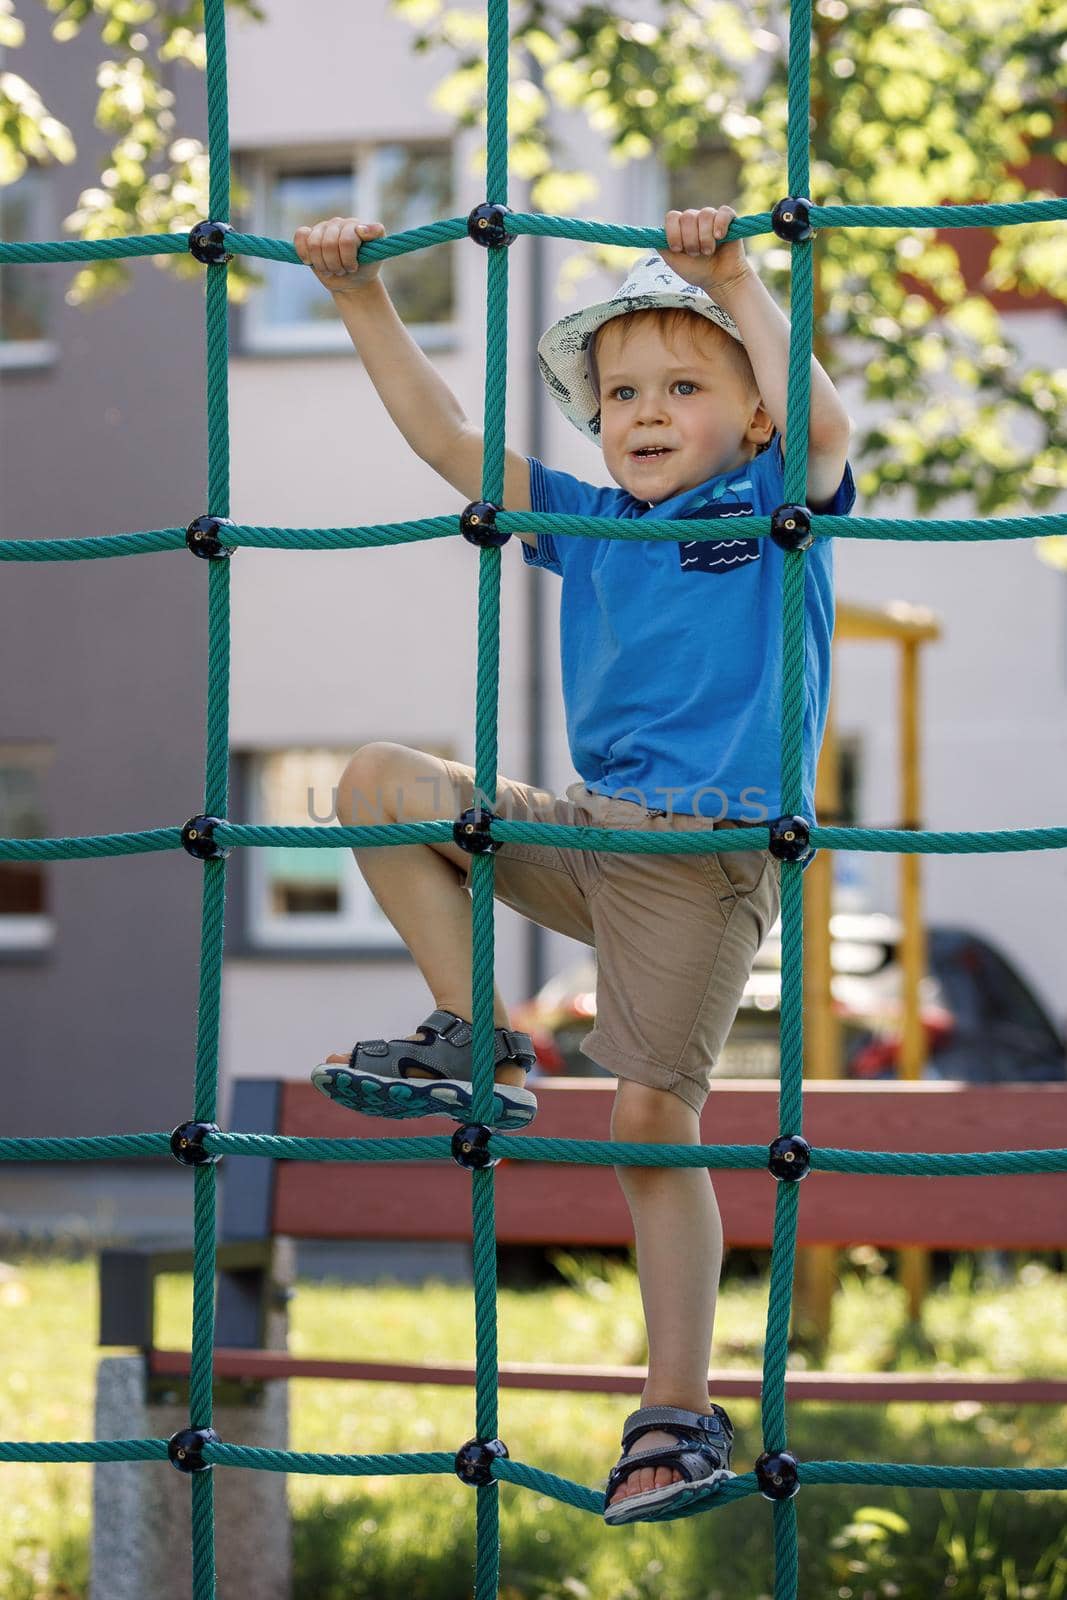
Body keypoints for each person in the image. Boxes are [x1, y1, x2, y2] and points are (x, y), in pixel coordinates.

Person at [293, 205, 856, 1524]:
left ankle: (677, 1409)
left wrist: (737, 279)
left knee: (653, 1126)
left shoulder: (778, 503)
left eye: (683, 386)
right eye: (618, 395)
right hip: (594, 834)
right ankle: (481, 1039)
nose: (643, 413)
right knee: (381, 782)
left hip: (711, 857)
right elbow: (449, 446)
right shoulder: (595, 519)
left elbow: (827, 427)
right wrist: (362, 299)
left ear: (750, 411)